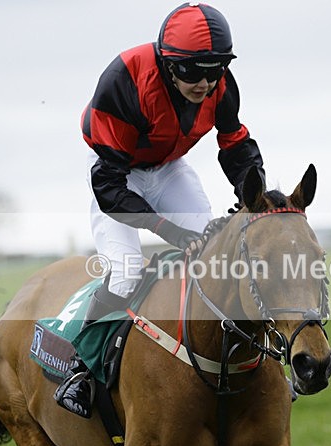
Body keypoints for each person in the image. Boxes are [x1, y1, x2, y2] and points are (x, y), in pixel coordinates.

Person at [54, 2, 265, 417]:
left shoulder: (220, 83)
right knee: (128, 269)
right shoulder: (124, 80)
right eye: (193, 72)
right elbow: (110, 189)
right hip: (117, 172)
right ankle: (81, 369)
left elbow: (236, 144)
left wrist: (254, 198)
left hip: (168, 169)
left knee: (218, 256)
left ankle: (246, 362)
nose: (205, 82)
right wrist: (172, 232)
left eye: (215, 69)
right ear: (169, 64)